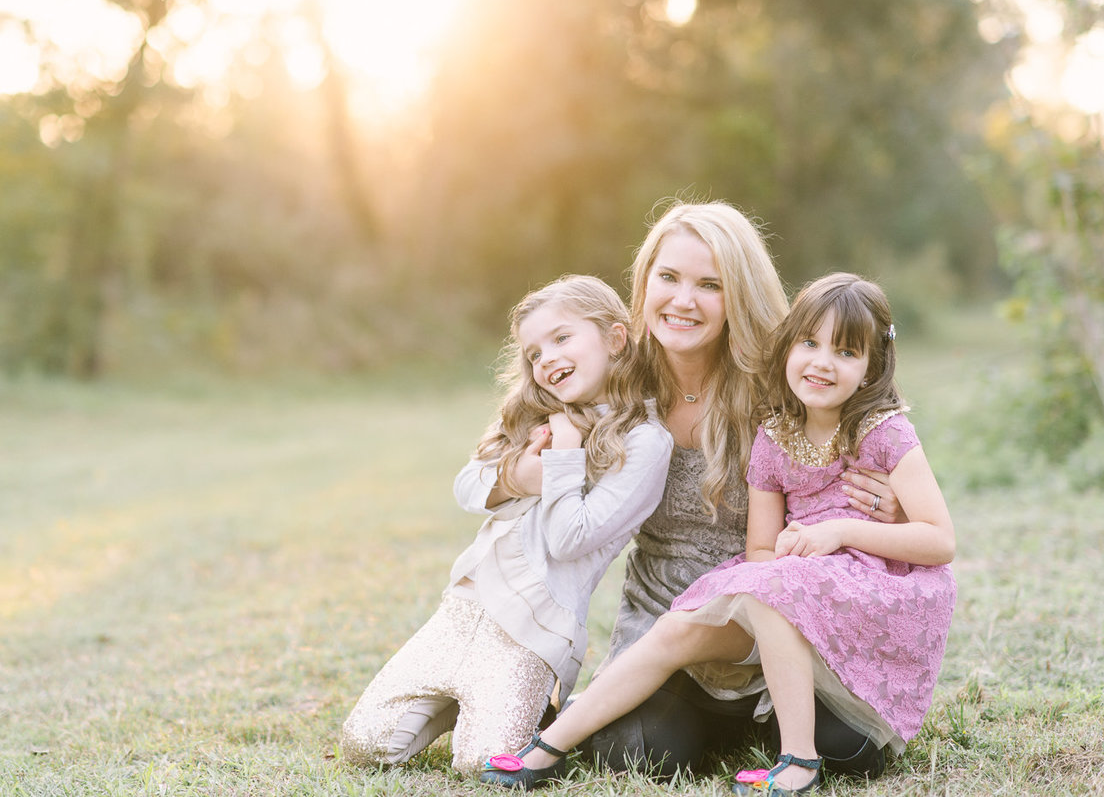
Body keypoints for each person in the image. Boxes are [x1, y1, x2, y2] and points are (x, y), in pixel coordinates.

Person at [480, 272, 957, 795]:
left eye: (845, 352)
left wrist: (840, 532)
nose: (822, 362)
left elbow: (939, 541)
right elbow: (759, 550)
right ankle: (546, 749)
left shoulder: (885, 433)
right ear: (788, 346)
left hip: (869, 594)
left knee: (776, 593)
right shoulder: (774, 436)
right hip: (789, 584)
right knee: (677, 627)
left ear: (871, 368)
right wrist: (791, 556)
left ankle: (799, 762)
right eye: (809, 343)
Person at [552, 202, 901, 779]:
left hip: (775, 628)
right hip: (670, 629)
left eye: (709, 285)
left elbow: (873, 423)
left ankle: (771, 719)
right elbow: (512, 443)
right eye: (668, 278)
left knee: (854, 754)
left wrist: (888, 502)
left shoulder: (784, 381)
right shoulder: (615, 378)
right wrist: (524, 470)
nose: (683, 301)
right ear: (644, 284)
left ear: (736, 295)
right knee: (634, 754)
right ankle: (707, 721)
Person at [339, 275, 674, 774]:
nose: (547, 360)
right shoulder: (535, 412)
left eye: (562, 338)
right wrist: (519, 474)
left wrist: (564, 450)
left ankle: (521, 704)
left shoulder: (646, 441)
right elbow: (467, 485)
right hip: (462, 610)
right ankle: (461, 701)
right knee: (365, 747)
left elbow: (568, 539)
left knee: (483, 764)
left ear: (616, 338)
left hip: (533, 630)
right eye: (534, 353)